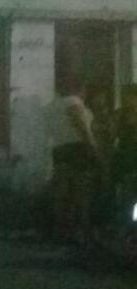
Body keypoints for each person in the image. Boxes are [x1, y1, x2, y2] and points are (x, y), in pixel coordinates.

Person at [48, 79, 100, 245]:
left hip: (59, 149)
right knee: (82, 191)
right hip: (77, 149)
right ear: (80, 89)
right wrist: (92, 146)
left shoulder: (52, 106)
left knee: (62, 192)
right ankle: (83, 231)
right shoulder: (73, 102)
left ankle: (61, 231)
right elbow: (79, 124)